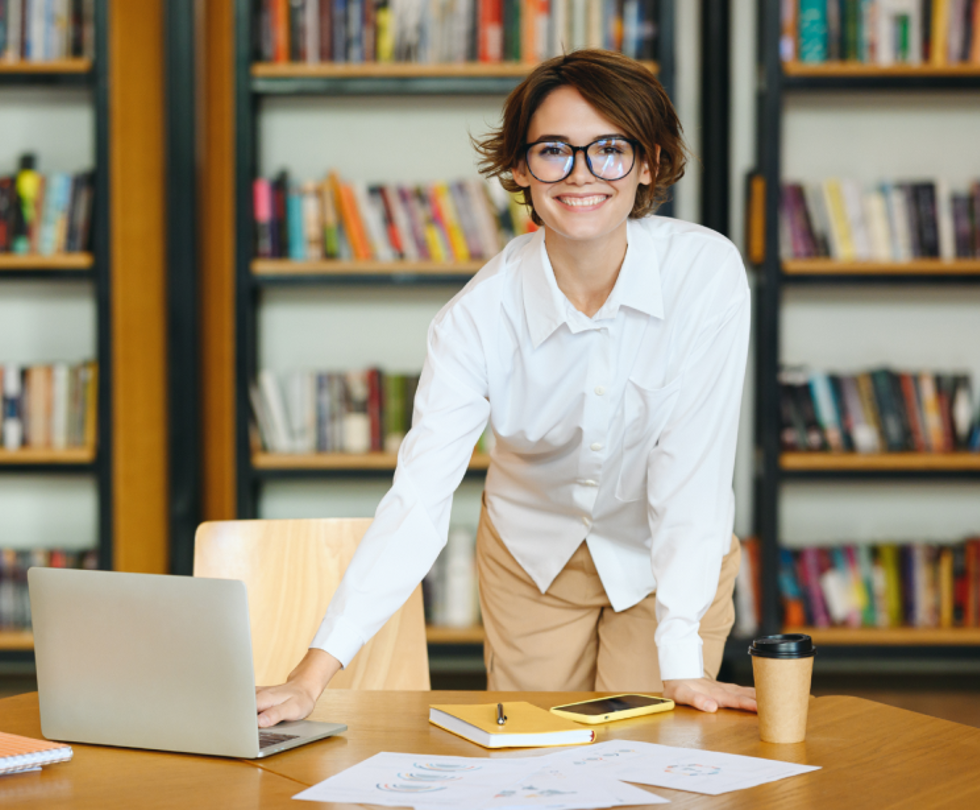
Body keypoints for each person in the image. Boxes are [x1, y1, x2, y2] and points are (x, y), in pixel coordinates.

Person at [255, 49, 754, 728]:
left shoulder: (706, 274)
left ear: (650, 163)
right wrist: (311, 676)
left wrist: (682, 658)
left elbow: (691, 474)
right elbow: (418, 502)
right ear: (520, 168)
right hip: (531, 560)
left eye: (610, 149)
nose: (581, 175)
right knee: (539, 762)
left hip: (666, 559)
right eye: (554, 150)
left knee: (652, 757)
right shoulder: (476, 318)